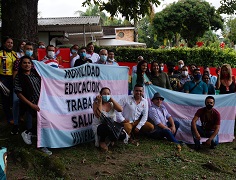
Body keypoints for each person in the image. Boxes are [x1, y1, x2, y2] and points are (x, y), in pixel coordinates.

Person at [14, 55, 52, 155]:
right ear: (21, 65)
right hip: (29, 104)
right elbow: (19, 93)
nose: (27, 65)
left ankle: (32, 134)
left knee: (45, 123)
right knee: (34, 121)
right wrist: (31, 104)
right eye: (24, 63)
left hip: (42, 102)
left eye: (29, 63)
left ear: (32, 64)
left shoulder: (36, 74)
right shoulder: (19, 77)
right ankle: (39, 143)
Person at [11, 42, 35, 135]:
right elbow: (15, 75)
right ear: (23, 50)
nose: (29, 50)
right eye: (27, 48)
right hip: (19, 87)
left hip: (30, 88)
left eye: (31, 49)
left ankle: (29, 128)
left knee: (30, 102)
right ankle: (16, 125)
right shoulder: (18, 61)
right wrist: (17, 87)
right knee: (16, 102)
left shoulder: (35, 61)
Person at [92, 87, 125, 151]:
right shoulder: (96, 103)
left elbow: (120, 109)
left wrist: (112, 100)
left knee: (122, 135)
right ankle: (102, 141)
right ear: (100, 95)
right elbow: (99, 115)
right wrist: (100, 102)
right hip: (99, 126)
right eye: (104, 94)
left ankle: (111, 140)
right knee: (105, 128)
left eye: (108, 94)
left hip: (111, 126)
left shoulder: (111, 103)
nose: (106, 95)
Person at [0, 36, 18, 124]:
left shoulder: (15, 54)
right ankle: (9, 117)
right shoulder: (0, 54)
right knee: (5, 99)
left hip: (14, 78)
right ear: (4, 43)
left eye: (11, 43)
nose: (10, 44)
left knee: (13, 98)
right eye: (8, 42)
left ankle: (16, 115)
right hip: (4, 78)